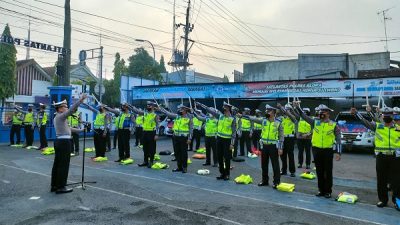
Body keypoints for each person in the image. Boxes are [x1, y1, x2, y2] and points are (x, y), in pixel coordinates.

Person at [352, 106, 400, 210]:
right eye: (385, 114)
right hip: (381, 157)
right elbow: (364, 122)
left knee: (397, 180)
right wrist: (356, 114)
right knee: (381, 179)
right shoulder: (377, 126)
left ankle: (397, 201)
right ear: (382, 116)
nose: (387, 116)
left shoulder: (398, 127)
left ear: (393, 115)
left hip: (395, 158)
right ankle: (383, 200)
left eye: (389, 114)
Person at [295, 103, 341, 198]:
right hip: (316, 150)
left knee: (327, 172)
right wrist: (297, 107)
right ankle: (321, 190)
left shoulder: (333, 125)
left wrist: (338, 152)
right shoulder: (315, 122)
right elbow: (304, 116)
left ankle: (328, 191)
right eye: (320, 112)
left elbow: (338, 139)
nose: (320, 114)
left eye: (323, 112)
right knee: (319, 171)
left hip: (328, 151)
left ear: (328, 113)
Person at [51, 95, 86, 194]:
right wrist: (80, 100)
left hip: (60, 142)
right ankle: (61, 186)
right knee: (63, 165)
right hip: (64, 143)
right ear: (60, 108)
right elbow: (71, 110)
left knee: (57, 164)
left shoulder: (59, 117)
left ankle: (54, 185)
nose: (66, 108)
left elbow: (69, 129)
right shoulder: (61, 116)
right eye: (65, 107)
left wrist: (81, 130)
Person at [246, 104, 284, 188]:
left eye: (269, 111)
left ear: (273, 112)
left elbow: (281, 137)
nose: (266, 112)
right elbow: (254, 119)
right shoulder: (263, 120)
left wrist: (280, 148)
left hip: (273, 146)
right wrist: (244, 116)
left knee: (275, 165)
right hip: (264, 146)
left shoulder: (278, 122)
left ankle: (276, 182)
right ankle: (264, 180)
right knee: (264, 164)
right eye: (266, 111)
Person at [197, 101, 236, 181]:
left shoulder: (232, 119)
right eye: (224, 108)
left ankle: (227, 174)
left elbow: (234, 132)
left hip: (227, 140)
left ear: (229, 109)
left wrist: (232, 143)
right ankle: (222, 173)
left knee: (227, 157)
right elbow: (210, 111)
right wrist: (201, 105)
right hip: (219, 139)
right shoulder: (220, 116)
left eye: (226, 108)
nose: (224, 109)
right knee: (219, 157)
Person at [158, 104, 193, 173]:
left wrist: (189, 139)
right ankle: (179, 167)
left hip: (184, 137)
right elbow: (167, 113)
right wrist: (161, 108)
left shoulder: (189, 118)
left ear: (185, 110)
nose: (179, 111)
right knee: (177, 153)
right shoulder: (177, 117)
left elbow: (191, 129)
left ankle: (184, 167)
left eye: (181, 109)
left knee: (184, 153)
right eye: (179, 109)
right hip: (176, 137)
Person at [131, 102, 159, 168]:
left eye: (149, 105)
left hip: (152, 133)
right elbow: (136, 111)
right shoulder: (145, 114)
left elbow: (158, 125)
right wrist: (129, 106)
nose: (148, 106)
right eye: (147, 105)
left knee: (151, 148)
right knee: (145, 148)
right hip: (144, 132)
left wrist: (157, 134)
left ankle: (151, 161)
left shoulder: (155, 115)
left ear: (152, 106)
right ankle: (145, 161)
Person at [277, 103, 297, 177]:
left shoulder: (292, 117)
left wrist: (282, 107)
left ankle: (292, 171)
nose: (287, 111)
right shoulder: (281, 118)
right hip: (282, 138)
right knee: (282, 155)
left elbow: (291, 116)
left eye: (289, 109)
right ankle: (284, 170)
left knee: (290, 155)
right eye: (286, 109)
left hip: (290, 138)